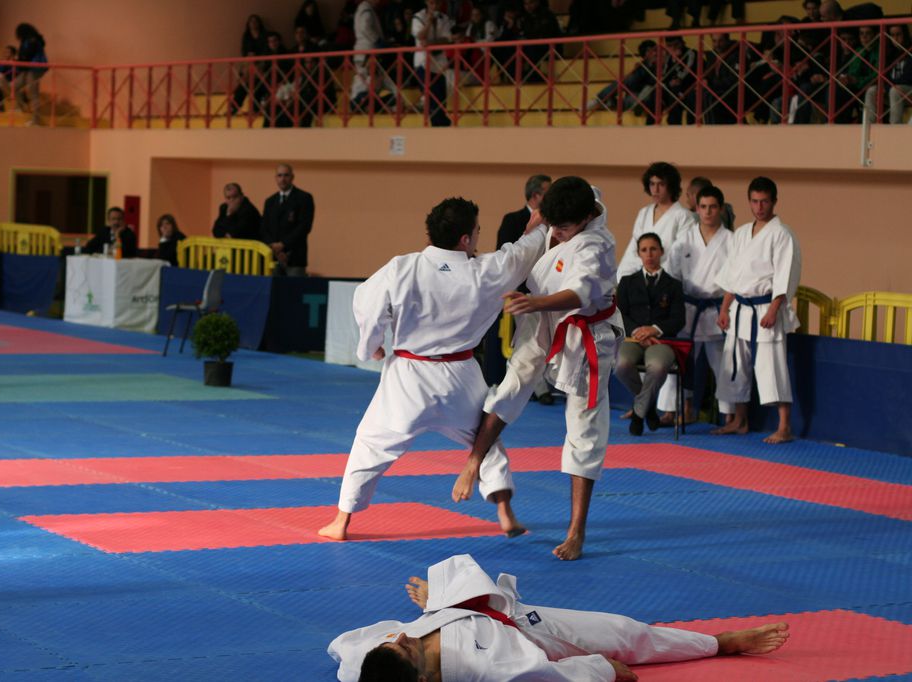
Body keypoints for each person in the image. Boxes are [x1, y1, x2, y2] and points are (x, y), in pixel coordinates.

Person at [317, 196, 548, 543]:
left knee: (370, 444)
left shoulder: (402, 267)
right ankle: (504, 511)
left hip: (408, 377)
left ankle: (341, 521)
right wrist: (537, 229)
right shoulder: (485, 271)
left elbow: (365, 301)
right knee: (485, 441)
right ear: (465, 239)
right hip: (460, 376)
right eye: (477, 230)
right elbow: (520, 255)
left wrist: (371, 346)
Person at [455, 177, 622, 561]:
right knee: (511, 387)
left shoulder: (597, 245)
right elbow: (573, 196)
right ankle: (474, 461)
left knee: (584, 426)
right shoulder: (577, 199)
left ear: (585, 219)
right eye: (553, 225)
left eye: (563, 229)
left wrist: (535, 303)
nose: (556, 234)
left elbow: (579, 293)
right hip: (543, 318)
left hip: (585, 331)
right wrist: (537, 221)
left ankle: (576, 532)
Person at [331, 554, 791, 682]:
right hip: (532, 636)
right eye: (405, 649)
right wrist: (600, 669)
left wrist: (438, 604)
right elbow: (549, 676)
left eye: (394, 641)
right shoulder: (488, 669)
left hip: (475, 609)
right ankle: (722, 643)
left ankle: (715, 642)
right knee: (623, 635)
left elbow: (342, 649)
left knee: (621, 626)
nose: (401, 639)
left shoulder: (367, 662)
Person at [712, 177, 801, 444]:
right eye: (754, 201)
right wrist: (724, 309)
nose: (759, 207)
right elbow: (732, 276)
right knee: (736, 364)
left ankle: (784, 426)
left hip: (766, 307)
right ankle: (740, 421)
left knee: (772, 365)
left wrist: (774, 309)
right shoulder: (741, 234)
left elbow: (785, 276)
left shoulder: (782, 234)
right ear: (749, 202)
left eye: (764, 201)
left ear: (774, 201)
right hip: (740, 308)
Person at [658, 185, 733, 425]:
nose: (708, 212)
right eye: (703, 207)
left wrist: (725, 309)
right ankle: (674, 409)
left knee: (722, 364)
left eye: (713, 207)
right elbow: (672, 275)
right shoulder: (685, 239)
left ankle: (729, 415)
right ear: (697, 209)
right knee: (680, 359)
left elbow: (734, 279)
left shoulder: (731, 241)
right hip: (688, 308)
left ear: (721, 209)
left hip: (716, 310)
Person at [614, 233, 686, 436]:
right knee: (621, 365)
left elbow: (678, 319)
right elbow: (619, 314)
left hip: (661, 340)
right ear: (638, 254)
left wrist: (654, 329)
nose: (649, 254)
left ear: (661, 251)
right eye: (644, 250)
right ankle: (649, 406)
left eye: (653, 249)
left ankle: (638, 415)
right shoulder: (627, 282)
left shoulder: (674, 285)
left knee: (658, 366)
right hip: (633, 338)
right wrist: (639, 331)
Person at [490, 173, 554, 402]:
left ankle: (540, 384)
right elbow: (506, 255)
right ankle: (538, 388)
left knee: (544, 338)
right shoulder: (513, 220)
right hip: (522, 290)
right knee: (529, 340)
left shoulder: (555, 222)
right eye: (548, 192)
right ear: (536, 196)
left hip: (548, 289)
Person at [616, 161, 692, 282]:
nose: (655, 190)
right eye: (652, 184)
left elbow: (679, 255)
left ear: (671, 186)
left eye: (661, 184)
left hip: (668, 280)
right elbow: (633, 250)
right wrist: (624, 278)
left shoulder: (683, 216)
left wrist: (655, 277)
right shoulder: (644, 213)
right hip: (640, 279)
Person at [260, 164, 315, 276]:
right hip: (273, 258)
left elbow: (304, 227)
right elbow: (264, 228)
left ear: (292, 177)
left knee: (294, 286)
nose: (283, 179)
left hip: (295, 257)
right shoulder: (270, 201)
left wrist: (283, 245)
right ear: (276, 178)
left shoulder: (304, 198)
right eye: (279, 175)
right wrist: (275, 248)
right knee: (273, 287)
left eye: (286, 175)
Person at [351, 0, 400, 112]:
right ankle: (362, 103)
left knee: (371, 79)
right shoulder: (366, 10)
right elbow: (365, 27)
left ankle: (368, 103)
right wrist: (377, 40)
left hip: (364, 51)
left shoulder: (364, 9)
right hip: (367, 50)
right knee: (365, 81)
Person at [412, 0, 455, 127]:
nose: (434, 6)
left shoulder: (444, 18)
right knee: (432, 101)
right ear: (426, 3)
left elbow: (447, 39)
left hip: (439, 64)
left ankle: (442, 126)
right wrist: (429, 22)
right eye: (432, 3)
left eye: (437, 3)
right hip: (423, 62)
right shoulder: (418, 17)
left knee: (441, 101)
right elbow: (420, 36)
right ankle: (442, 126)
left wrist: (431, 43)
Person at [864, 24, 912, 124]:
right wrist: (884, 87)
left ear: (905, 35)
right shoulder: (889, 52)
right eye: (892, 35)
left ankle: (894, 126)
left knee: (895, 91)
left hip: (908, 89)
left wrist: (887, 87)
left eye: (898, 34)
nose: (895, 38)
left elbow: (908, 78)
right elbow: (883, 75)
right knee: (871, 91)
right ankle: (869, 125)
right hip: (892, 89)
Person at [15, 23, 47, 125]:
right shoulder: (30, 40)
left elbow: (27, 55)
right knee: (14, 86)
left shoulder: (32, 41)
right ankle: (22, 106)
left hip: (35, 68)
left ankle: (36, 119)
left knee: (33, 93)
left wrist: (19, 60)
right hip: (28, 68)